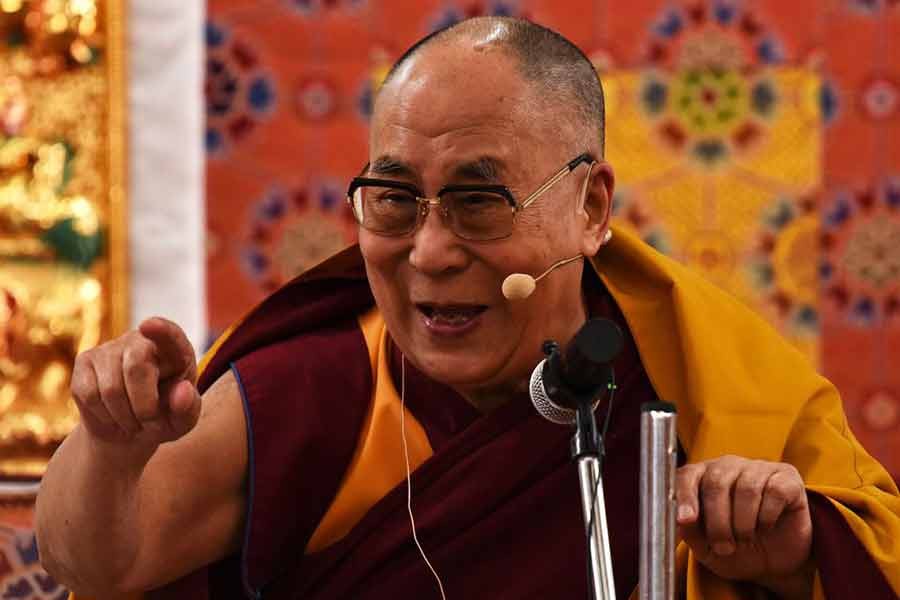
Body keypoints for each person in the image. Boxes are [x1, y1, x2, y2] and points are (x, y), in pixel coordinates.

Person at [36, 17, 900, 600]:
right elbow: (99, 567)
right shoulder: (320, 386)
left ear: (592, 209)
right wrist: (111, 450)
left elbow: (871, 563)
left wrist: (790, 557)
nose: (430, 251)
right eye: (394, 198)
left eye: (479, 202)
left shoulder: (702, 374)